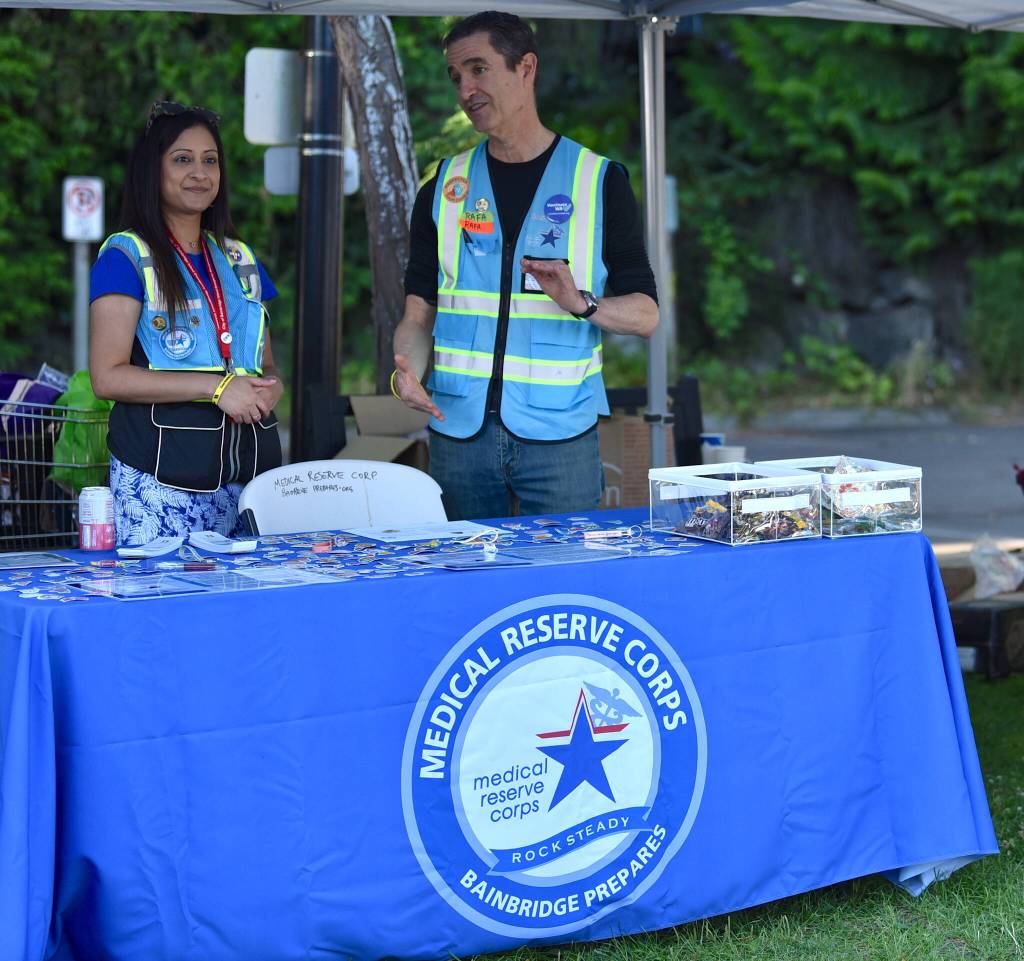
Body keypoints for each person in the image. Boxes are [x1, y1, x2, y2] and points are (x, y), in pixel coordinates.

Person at [393, 10, 658, 521]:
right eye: (456, 77)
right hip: (458, 432)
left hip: (559, 437)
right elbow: (417, 314)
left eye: (478, 69)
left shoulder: (599, 181)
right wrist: (406, 370)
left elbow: (646, 315)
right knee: (465, 584)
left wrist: (581, 303)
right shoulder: (443, 189)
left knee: (564, 583)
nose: (465, 89)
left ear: (526, 68)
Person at [89, 101, 283, 546]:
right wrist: (215, 387)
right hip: (160, 485)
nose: (200, 172)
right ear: (151, 171)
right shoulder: (126, 257)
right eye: (182, 159)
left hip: (248, 484)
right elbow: (107, 376)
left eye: (210, 161)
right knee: (162, 609)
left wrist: (273, 386)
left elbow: (268, 365)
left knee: (240, 612)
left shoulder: (240, 259)